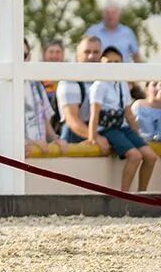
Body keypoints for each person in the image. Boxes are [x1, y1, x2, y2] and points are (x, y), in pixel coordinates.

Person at [88, 46, 157, 192]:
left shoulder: (122, 84)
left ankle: (142, 193)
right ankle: (124, 194)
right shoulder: (99, 85)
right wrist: (92, 136)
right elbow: (94, 113)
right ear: (101, 63)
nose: (113, 65)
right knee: (135, 156)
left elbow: (128, 112)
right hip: (108, 129)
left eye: (117, 62)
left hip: (122, 127)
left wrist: (137, 134)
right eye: (109, 62)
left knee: (150, 157)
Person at [58, 35, 109, 152]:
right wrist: (95, 137)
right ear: (77, 56)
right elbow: (72, 120)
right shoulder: (69, 80)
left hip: (102, 136)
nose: (91, 56)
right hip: (75, 138)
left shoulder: (106, 79)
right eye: (87, 52)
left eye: (96, 52)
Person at [23, 41, 64, 158]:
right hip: (19, 154)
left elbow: (44, 117)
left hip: (41, 152)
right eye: (51, 52)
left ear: (29, 56)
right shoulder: (0, 89)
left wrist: (55, 139)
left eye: (23, 55)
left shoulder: (36, 84)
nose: (54, 56)